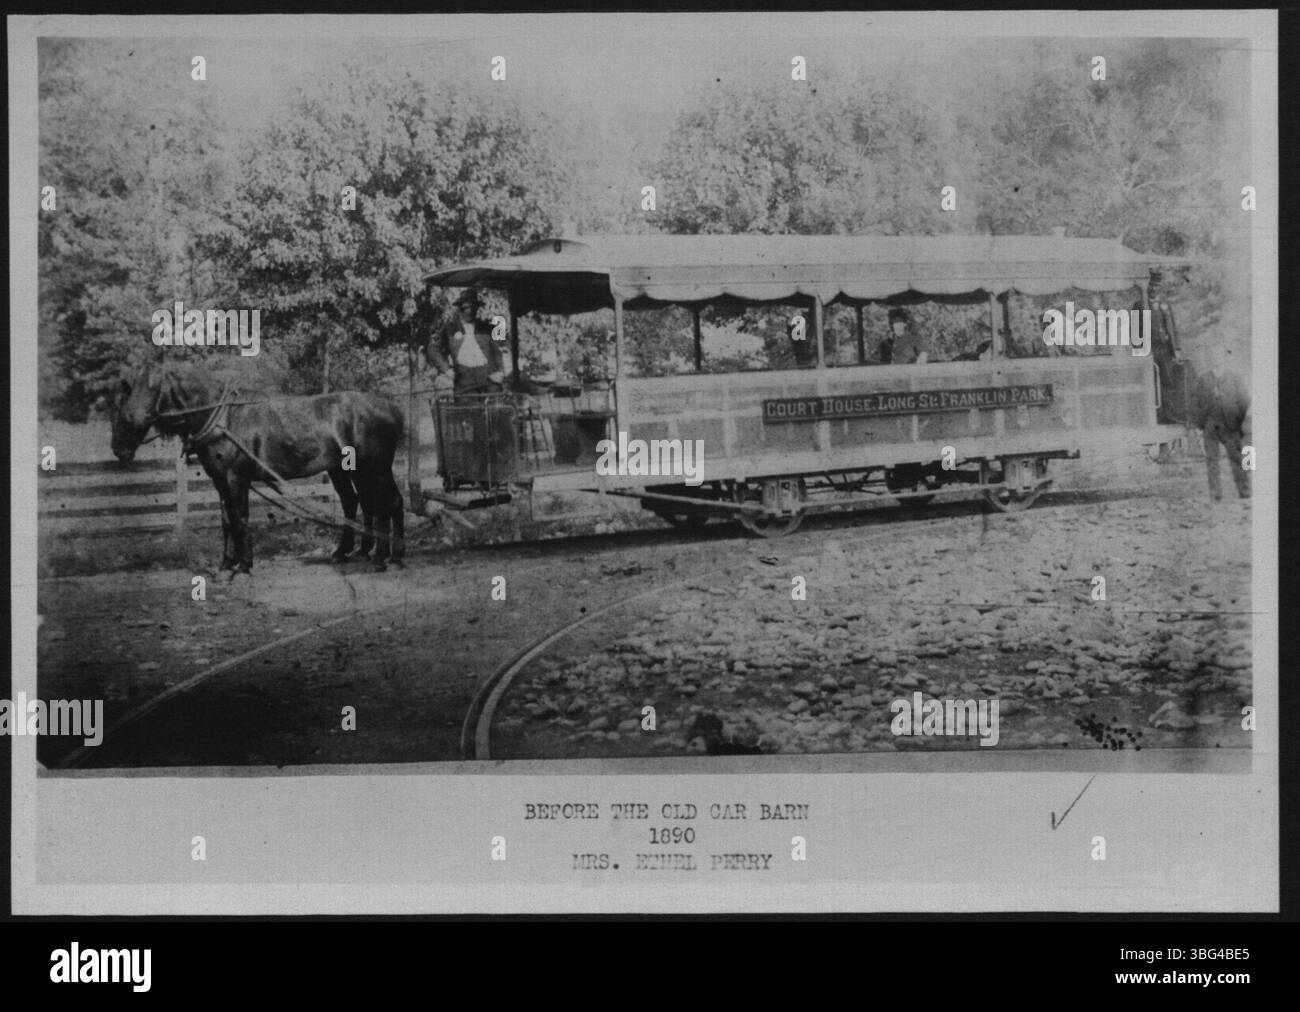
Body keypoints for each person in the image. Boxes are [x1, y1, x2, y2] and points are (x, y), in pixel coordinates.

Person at [426, 288, 506, 399]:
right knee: (467, 412)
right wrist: (446, 369)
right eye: (466, 308)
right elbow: (432, 348)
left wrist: (501, 371)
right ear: (460, 309)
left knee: (496, 411)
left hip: (488, 378)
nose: (469, 312)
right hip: (464, 380)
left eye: (473, 308)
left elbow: (498, 352)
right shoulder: (450, 329)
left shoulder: (486, 328)